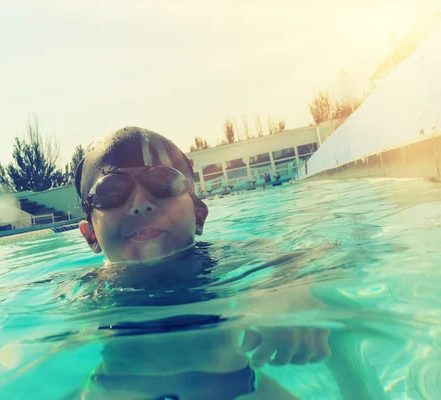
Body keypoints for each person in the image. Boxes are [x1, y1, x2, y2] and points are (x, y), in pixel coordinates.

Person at [71, 127, 330, 399]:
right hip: (116, 391)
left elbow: (300, 259)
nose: (141, 203)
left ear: (198, 215)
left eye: (164, 183)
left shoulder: (223, 259)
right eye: (111, 191)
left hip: (233, 385)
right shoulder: (86, 289)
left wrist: (288, 290)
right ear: (90, 235)